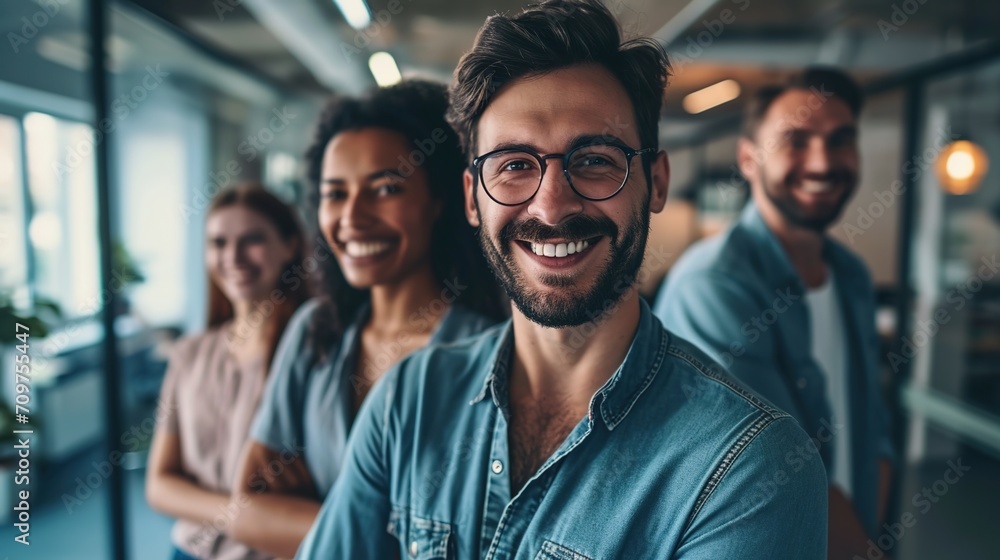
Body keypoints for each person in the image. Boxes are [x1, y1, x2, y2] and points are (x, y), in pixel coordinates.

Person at [296, 2, 827, 558]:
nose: (550, 208)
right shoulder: (408, 402)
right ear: (471, 199)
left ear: (655, 181)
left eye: (594, 159)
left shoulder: (748, 467)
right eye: (515, 164)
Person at [228, 80, 506, 558]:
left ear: (439, 199)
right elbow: (245, 510)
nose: (352, 217)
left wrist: (309, 511)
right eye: (335, 194)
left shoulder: (491, 353)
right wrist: (407, 532)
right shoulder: (316, 331)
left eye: (385, 188)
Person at [653, 67, 894, 558]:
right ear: (747, 158)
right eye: (796, 140)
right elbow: (778, 467)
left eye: (840, 140)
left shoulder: (851, 276)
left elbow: (872, 427)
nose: (822, 162)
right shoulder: (714, 284)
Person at [147, 184, 311, 560]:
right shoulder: (189, 355)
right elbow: (159, 485)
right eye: (218, 243)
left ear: (288, 246)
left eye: (252, 240)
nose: (233, 256)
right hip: (188, 551)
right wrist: (245, 513)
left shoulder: (314, 352)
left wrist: (209, 506)